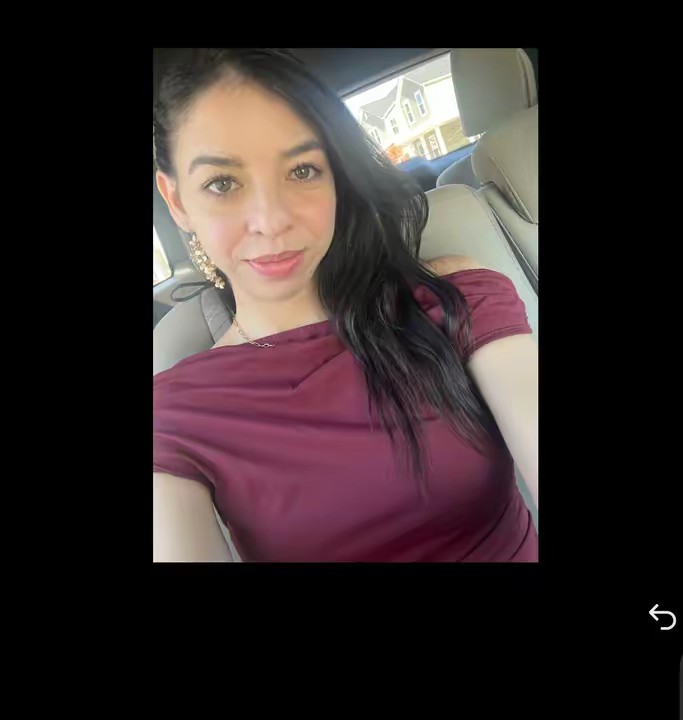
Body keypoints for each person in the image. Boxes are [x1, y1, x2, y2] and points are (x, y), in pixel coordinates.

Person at [153, 48, 538, 562]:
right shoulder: (175, 413)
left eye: (302, 170)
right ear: (177, 201)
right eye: (222, 183)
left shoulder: (454, 297)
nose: (271, 220)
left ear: (336, 177)